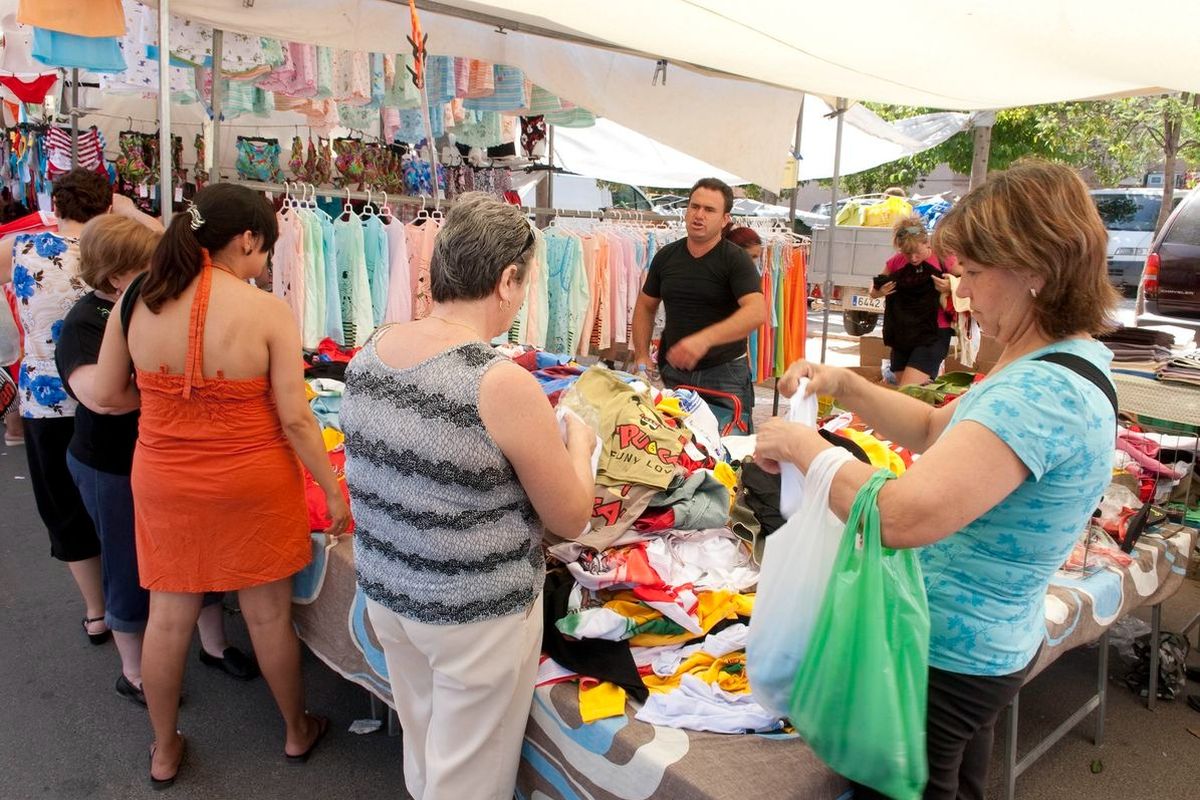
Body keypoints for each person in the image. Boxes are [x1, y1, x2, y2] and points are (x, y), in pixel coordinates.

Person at [755, 160, 1118, 800]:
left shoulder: (1042, 389)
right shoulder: (1053, 360)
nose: (965, 292)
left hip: (951, 654)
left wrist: (807, 449)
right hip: (970, 640)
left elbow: (901, 516)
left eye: (975, 274)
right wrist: (842, 382)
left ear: (1035, 268)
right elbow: (931, 429)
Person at [93, 183, 350, 787]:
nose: (264, 265)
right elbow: (294, 417)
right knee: (267, 617)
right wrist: (333, 492)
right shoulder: (266, 311)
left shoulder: (137, 295)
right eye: (266, 252)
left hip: (164, 479)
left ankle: (162, 748)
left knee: (168, 618)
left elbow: (106, 395)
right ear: (247, 239)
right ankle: (296, 729)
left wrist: (165, 407)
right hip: (254, 482)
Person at [341, 192, 595, 800]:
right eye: (524, 280)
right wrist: (580, 445)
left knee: (428, 751)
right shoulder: (499, 382)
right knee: (467, 782)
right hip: (472, 614)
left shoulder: (372, 350)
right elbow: (571, 516)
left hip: (392, 592)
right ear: (507, 279)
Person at [57, 215, 258, 708]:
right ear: (115, 278)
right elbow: (101, 398)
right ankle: (133, 671)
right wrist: (172, 390)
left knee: (200, 553)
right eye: (147, 264)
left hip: (171, 459)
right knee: (127, 565)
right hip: (112, 465)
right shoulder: (85, 323)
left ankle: (214, 645)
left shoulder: (153, 304)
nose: (161, 270)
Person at [0, 169, 151, 647]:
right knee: (120, 506)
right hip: (113, 395)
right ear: (107, 205)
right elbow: (178, 244)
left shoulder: (22, 247)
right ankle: (131, 597)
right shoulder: (119, 254)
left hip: (45, 397)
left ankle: (96, 611)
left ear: (57, 205)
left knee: (64, 509)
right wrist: (135, 213)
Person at [632, 178, 766, 433]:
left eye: (709, 210)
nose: (699, 215)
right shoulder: (667, 256)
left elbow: (756, 311)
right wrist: (640, 354)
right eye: (695, 206)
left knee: (728, 454)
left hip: (724, 374)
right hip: (674, 371)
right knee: (677, 447)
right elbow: (645, 305)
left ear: (725, 219)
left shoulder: (735, 259)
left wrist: (704, 339)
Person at [870, 215, 960, 386]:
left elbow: (970, 278)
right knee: (909, 393)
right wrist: (879, 291)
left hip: (934, 333)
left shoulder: (943, 258)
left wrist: (951, 285)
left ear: (927, 243)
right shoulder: (897, 261)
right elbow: (873, 290)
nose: (912, 258)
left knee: (909, 389)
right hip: (902, 333)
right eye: (907, 253)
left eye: (917, 252)